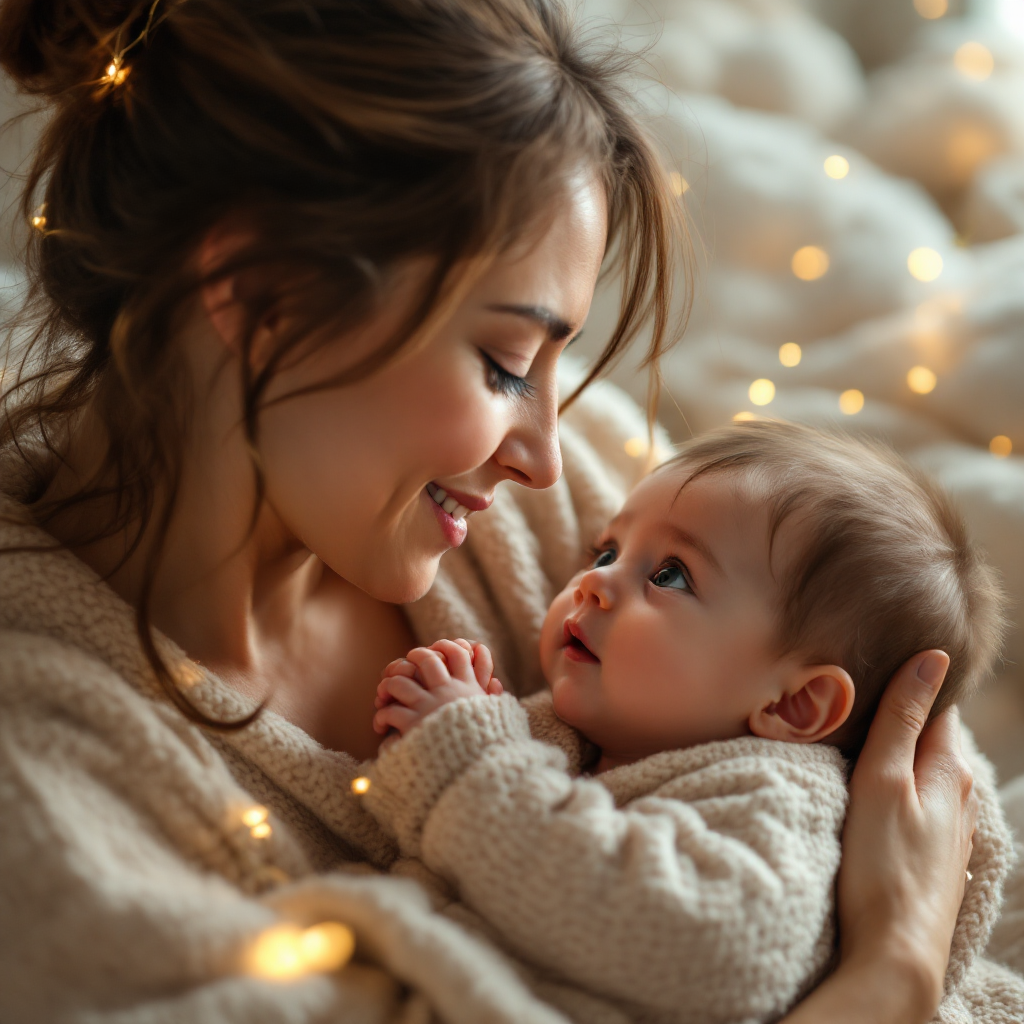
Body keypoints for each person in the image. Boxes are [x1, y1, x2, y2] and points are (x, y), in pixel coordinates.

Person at [0, 0, 983, 1021]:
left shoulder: (549, 520)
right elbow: (896, 895)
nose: (547, 458)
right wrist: (888, 973)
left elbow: (905, 724)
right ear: (265, 300)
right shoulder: (46, 781)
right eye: (507, 363)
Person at [367, 420, 1019, 1023]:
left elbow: (706, 943)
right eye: (606, 552)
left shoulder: (780, 797)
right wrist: (469, 731)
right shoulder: (601, 731)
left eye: (670, 575)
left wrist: (470, 767)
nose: (594, 585)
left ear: (794, 706)